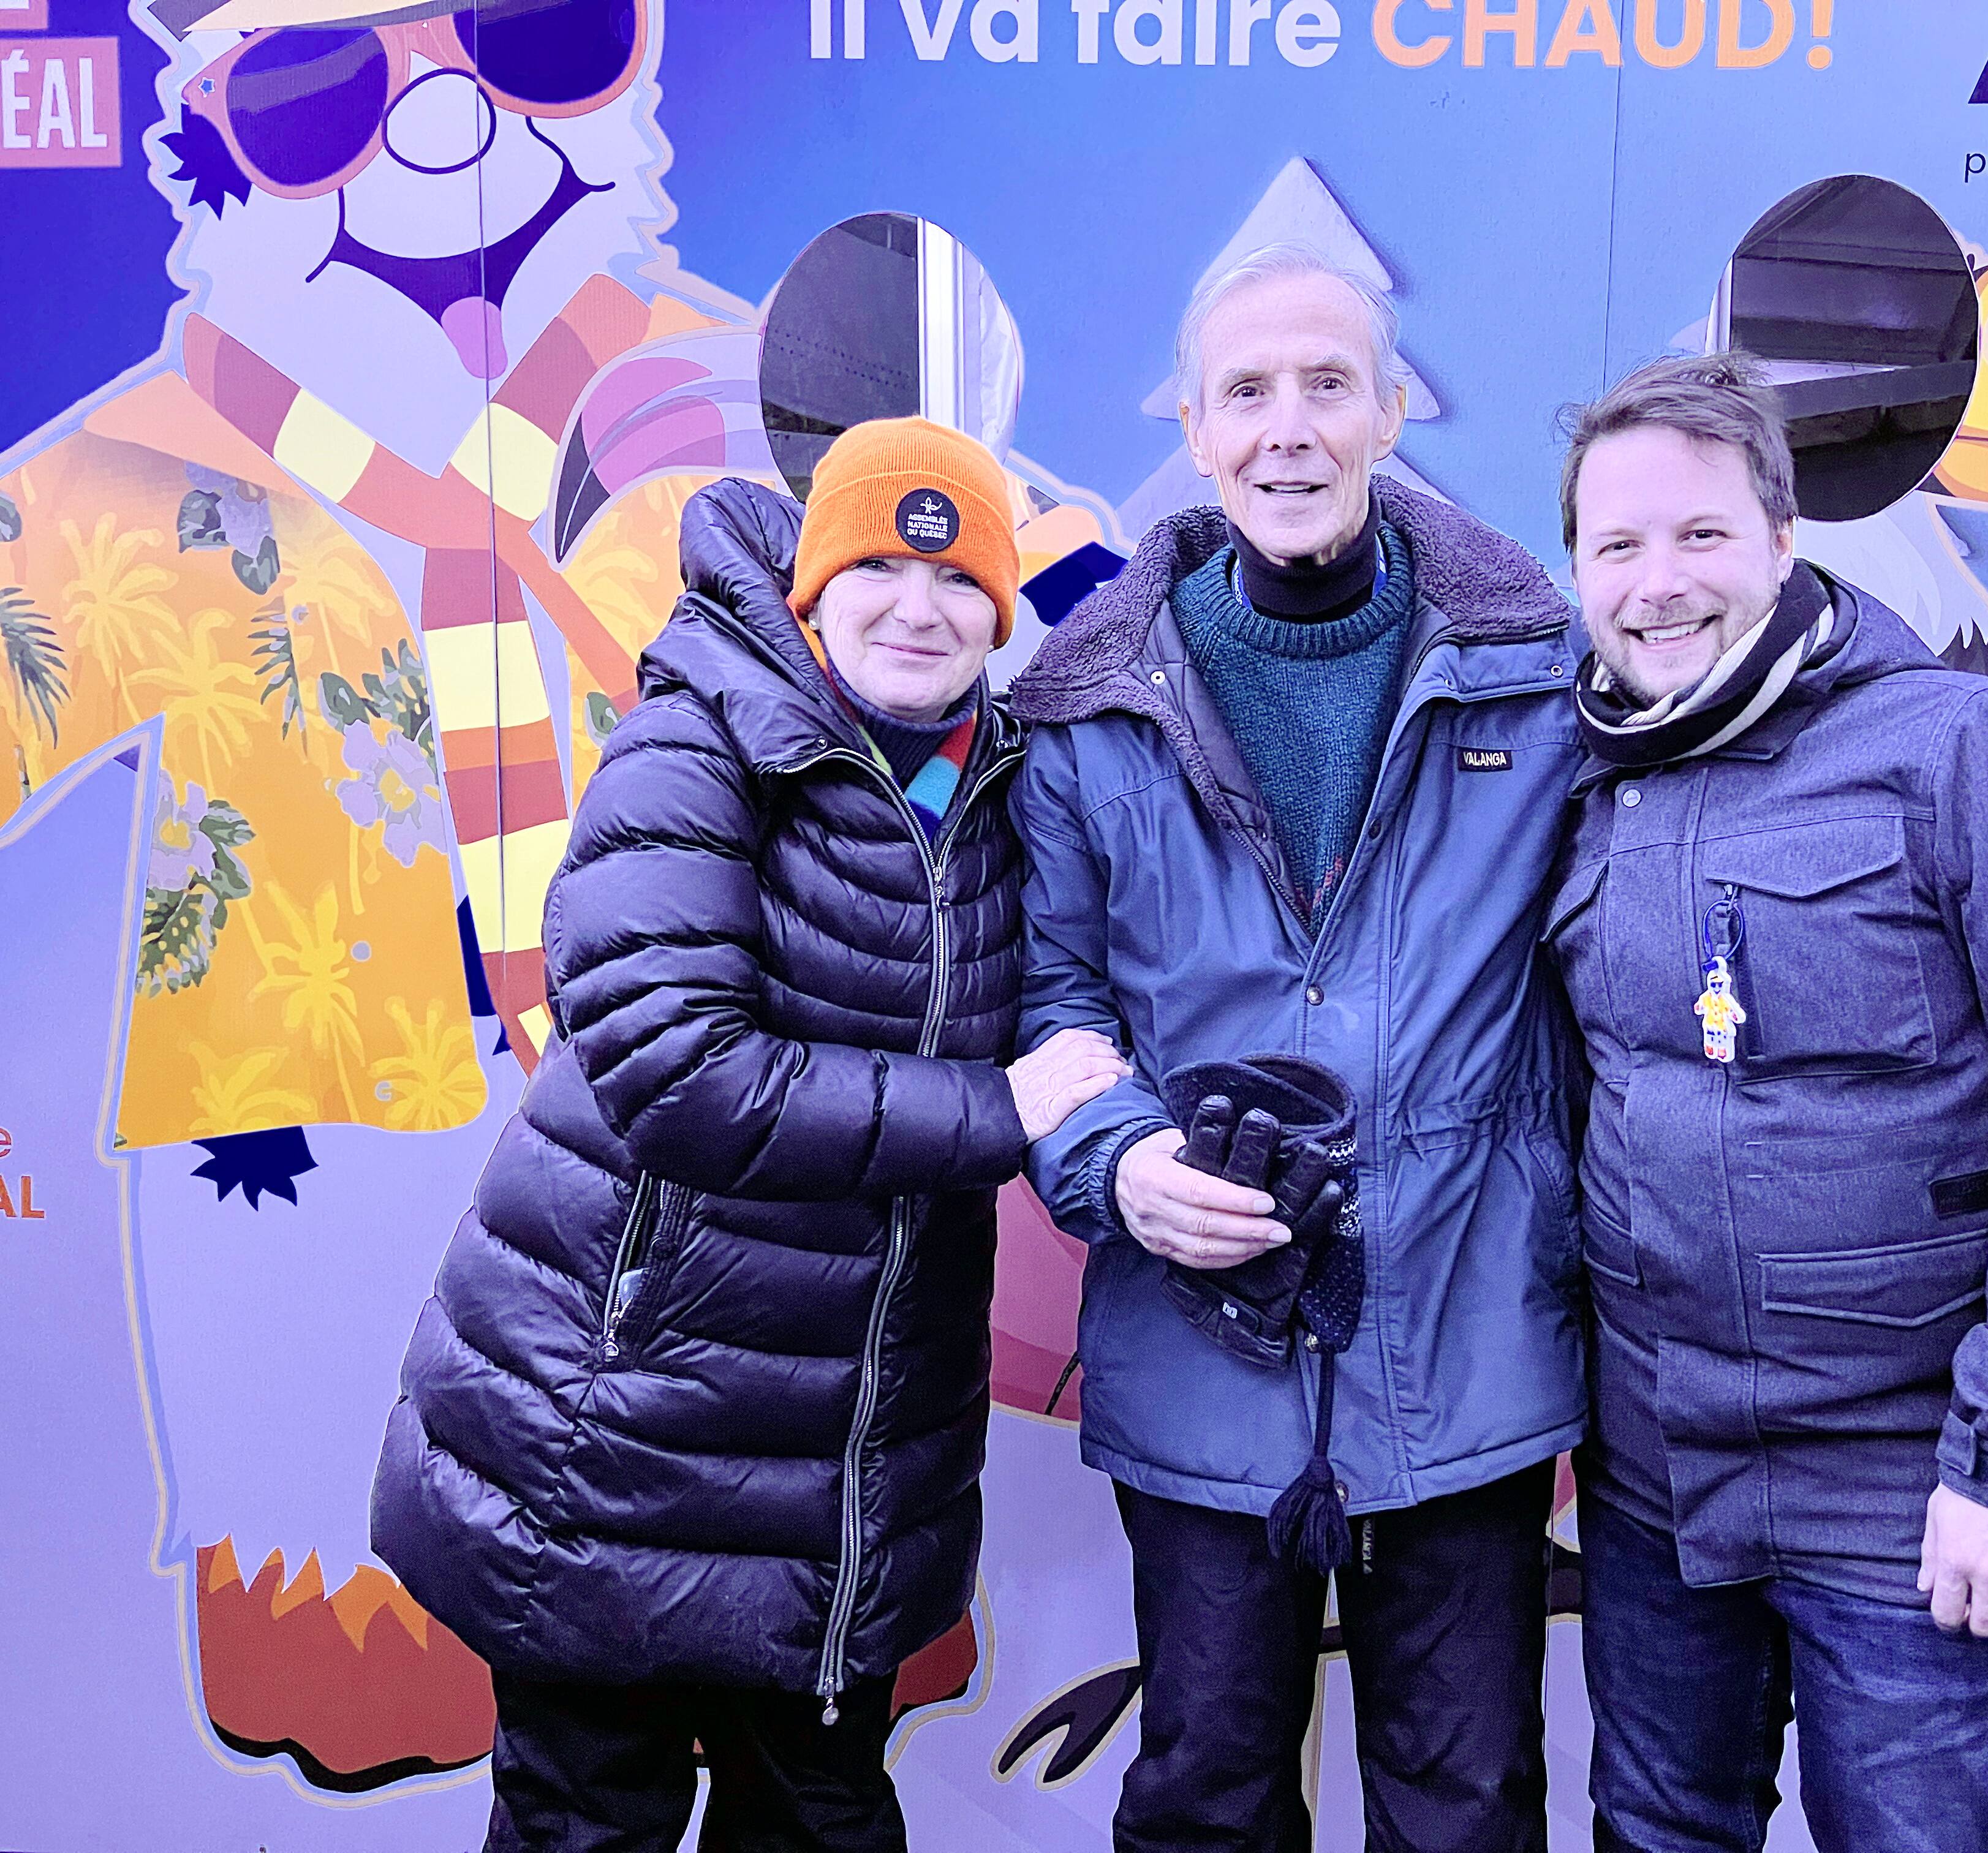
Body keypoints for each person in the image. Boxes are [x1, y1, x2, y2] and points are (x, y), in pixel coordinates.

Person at [370, 418, 1128, 1852]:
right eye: (878, 569)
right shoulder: (697, 740)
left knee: (821, 1822)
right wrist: (997, 1110)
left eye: (958, 578)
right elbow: (677, 1071)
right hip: (620, 1439)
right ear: (813, 585)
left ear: (999, 609)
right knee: (589, 1822)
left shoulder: (1004, 788)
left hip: (846, 1474)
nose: (918, 609)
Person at [1543, 353, 1988, 1852]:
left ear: (1785, 539)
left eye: (1702, 534)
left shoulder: (1972, 753)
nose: (1659, 582)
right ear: (1578, 571)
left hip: (1916, 1501)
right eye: (1618, 545)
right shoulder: (1582, 788)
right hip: (1658, 1493)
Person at [1005, 243, 1587, 1853]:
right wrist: (1121, 1164)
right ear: (1194, 429)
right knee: (1206, 1801)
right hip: (1199, 1360)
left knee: (1466, 1812)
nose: (1290, 428)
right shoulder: (1087, 711)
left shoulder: (1543, 681)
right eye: (1247, 391)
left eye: (1330, 384)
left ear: (1392, 411)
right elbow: (1052, 1007)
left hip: (1467, 1345)